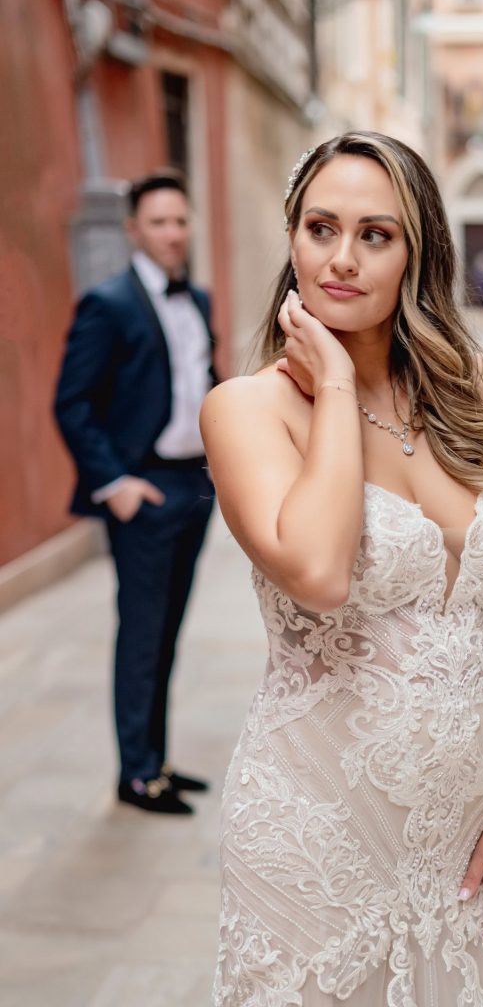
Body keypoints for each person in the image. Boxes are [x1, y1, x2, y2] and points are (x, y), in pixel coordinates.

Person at [202, 132, 483, 1003]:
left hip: (465, 835)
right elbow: (320, 572)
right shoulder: (248, 411)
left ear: (417, 250)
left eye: (375, 234)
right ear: (291, 238)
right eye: (320, 228)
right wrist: (330, 386)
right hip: (312, 829)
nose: (341, 259)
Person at [55, 171, 216, 815]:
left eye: (180, 221)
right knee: (143, 633)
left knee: (169, 630)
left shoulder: (198, 299)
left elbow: (205, 384)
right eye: (159, 223)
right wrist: (116, 485)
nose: (173, 234)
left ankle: (158, 759)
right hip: (143, 492)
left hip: (193, 487)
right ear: (133, 231)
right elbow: (72, 405)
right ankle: (136, 774)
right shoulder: (109, 303)